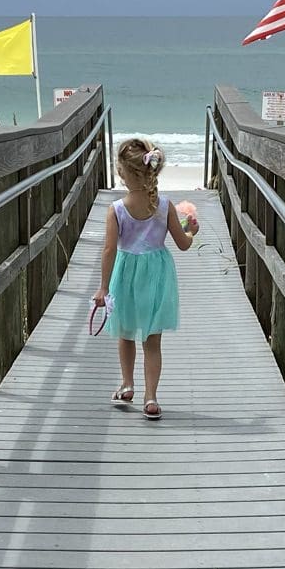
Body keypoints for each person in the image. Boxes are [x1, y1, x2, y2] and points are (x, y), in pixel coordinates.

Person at [95, 138, 197, 421]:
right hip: (156, 276)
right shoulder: (165, 206)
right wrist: (192, 231)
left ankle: (127, 384)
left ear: (123, 174)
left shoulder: (115, 209)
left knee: (125, 333)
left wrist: (103, 287)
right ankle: (150, 397)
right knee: (152, 340)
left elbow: (109, 250)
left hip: (126, 274)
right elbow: (183, 244)